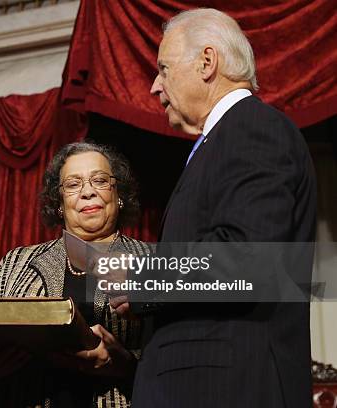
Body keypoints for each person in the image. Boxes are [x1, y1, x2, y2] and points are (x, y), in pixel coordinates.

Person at [124, 8, 317, 408]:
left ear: (207, 62)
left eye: (163, 68)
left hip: (228, 388)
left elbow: (245, 260)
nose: (154, 87)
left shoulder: (252, 127)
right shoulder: (220, 141)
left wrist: (139, 279)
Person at [0, 142, 150, 407]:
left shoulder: (150, 262)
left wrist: (128, 366)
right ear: (59, 204)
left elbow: (180, 360)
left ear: (119, 194)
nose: (87, 192)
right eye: (73, 185)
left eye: (99, 180)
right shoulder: (15, 263)